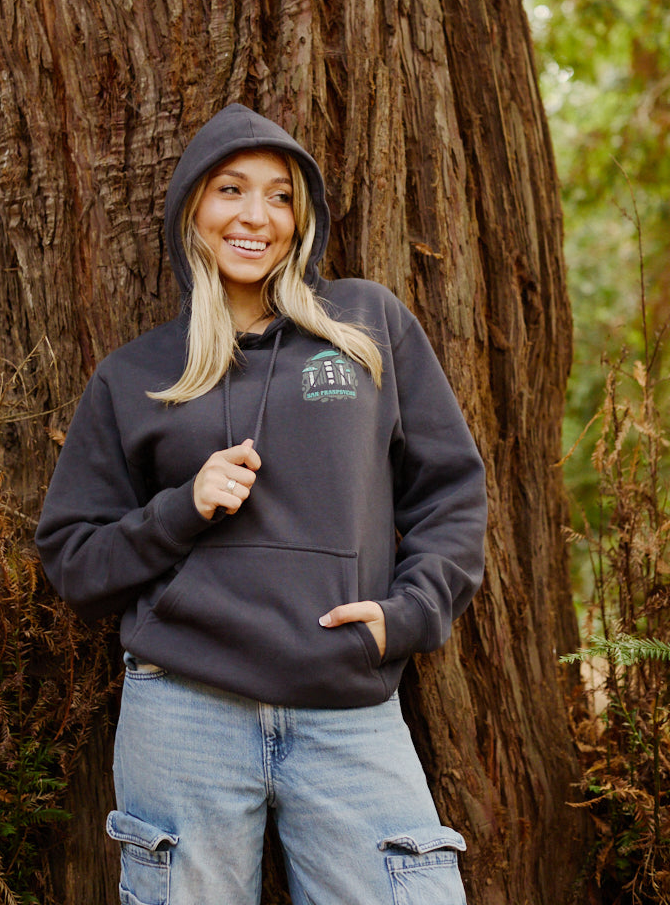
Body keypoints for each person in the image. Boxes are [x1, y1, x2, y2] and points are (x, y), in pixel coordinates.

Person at [36, 103, 487, 905]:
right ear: (192, 212)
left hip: (347, 705)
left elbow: (450, 492)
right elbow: (74, 560)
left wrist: (409, 614)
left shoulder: (365, 325)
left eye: (280, 196)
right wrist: (183, 506)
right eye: (230, 190)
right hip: (184, 709)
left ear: (300, 217)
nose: (256, 216)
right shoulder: (134, 374)